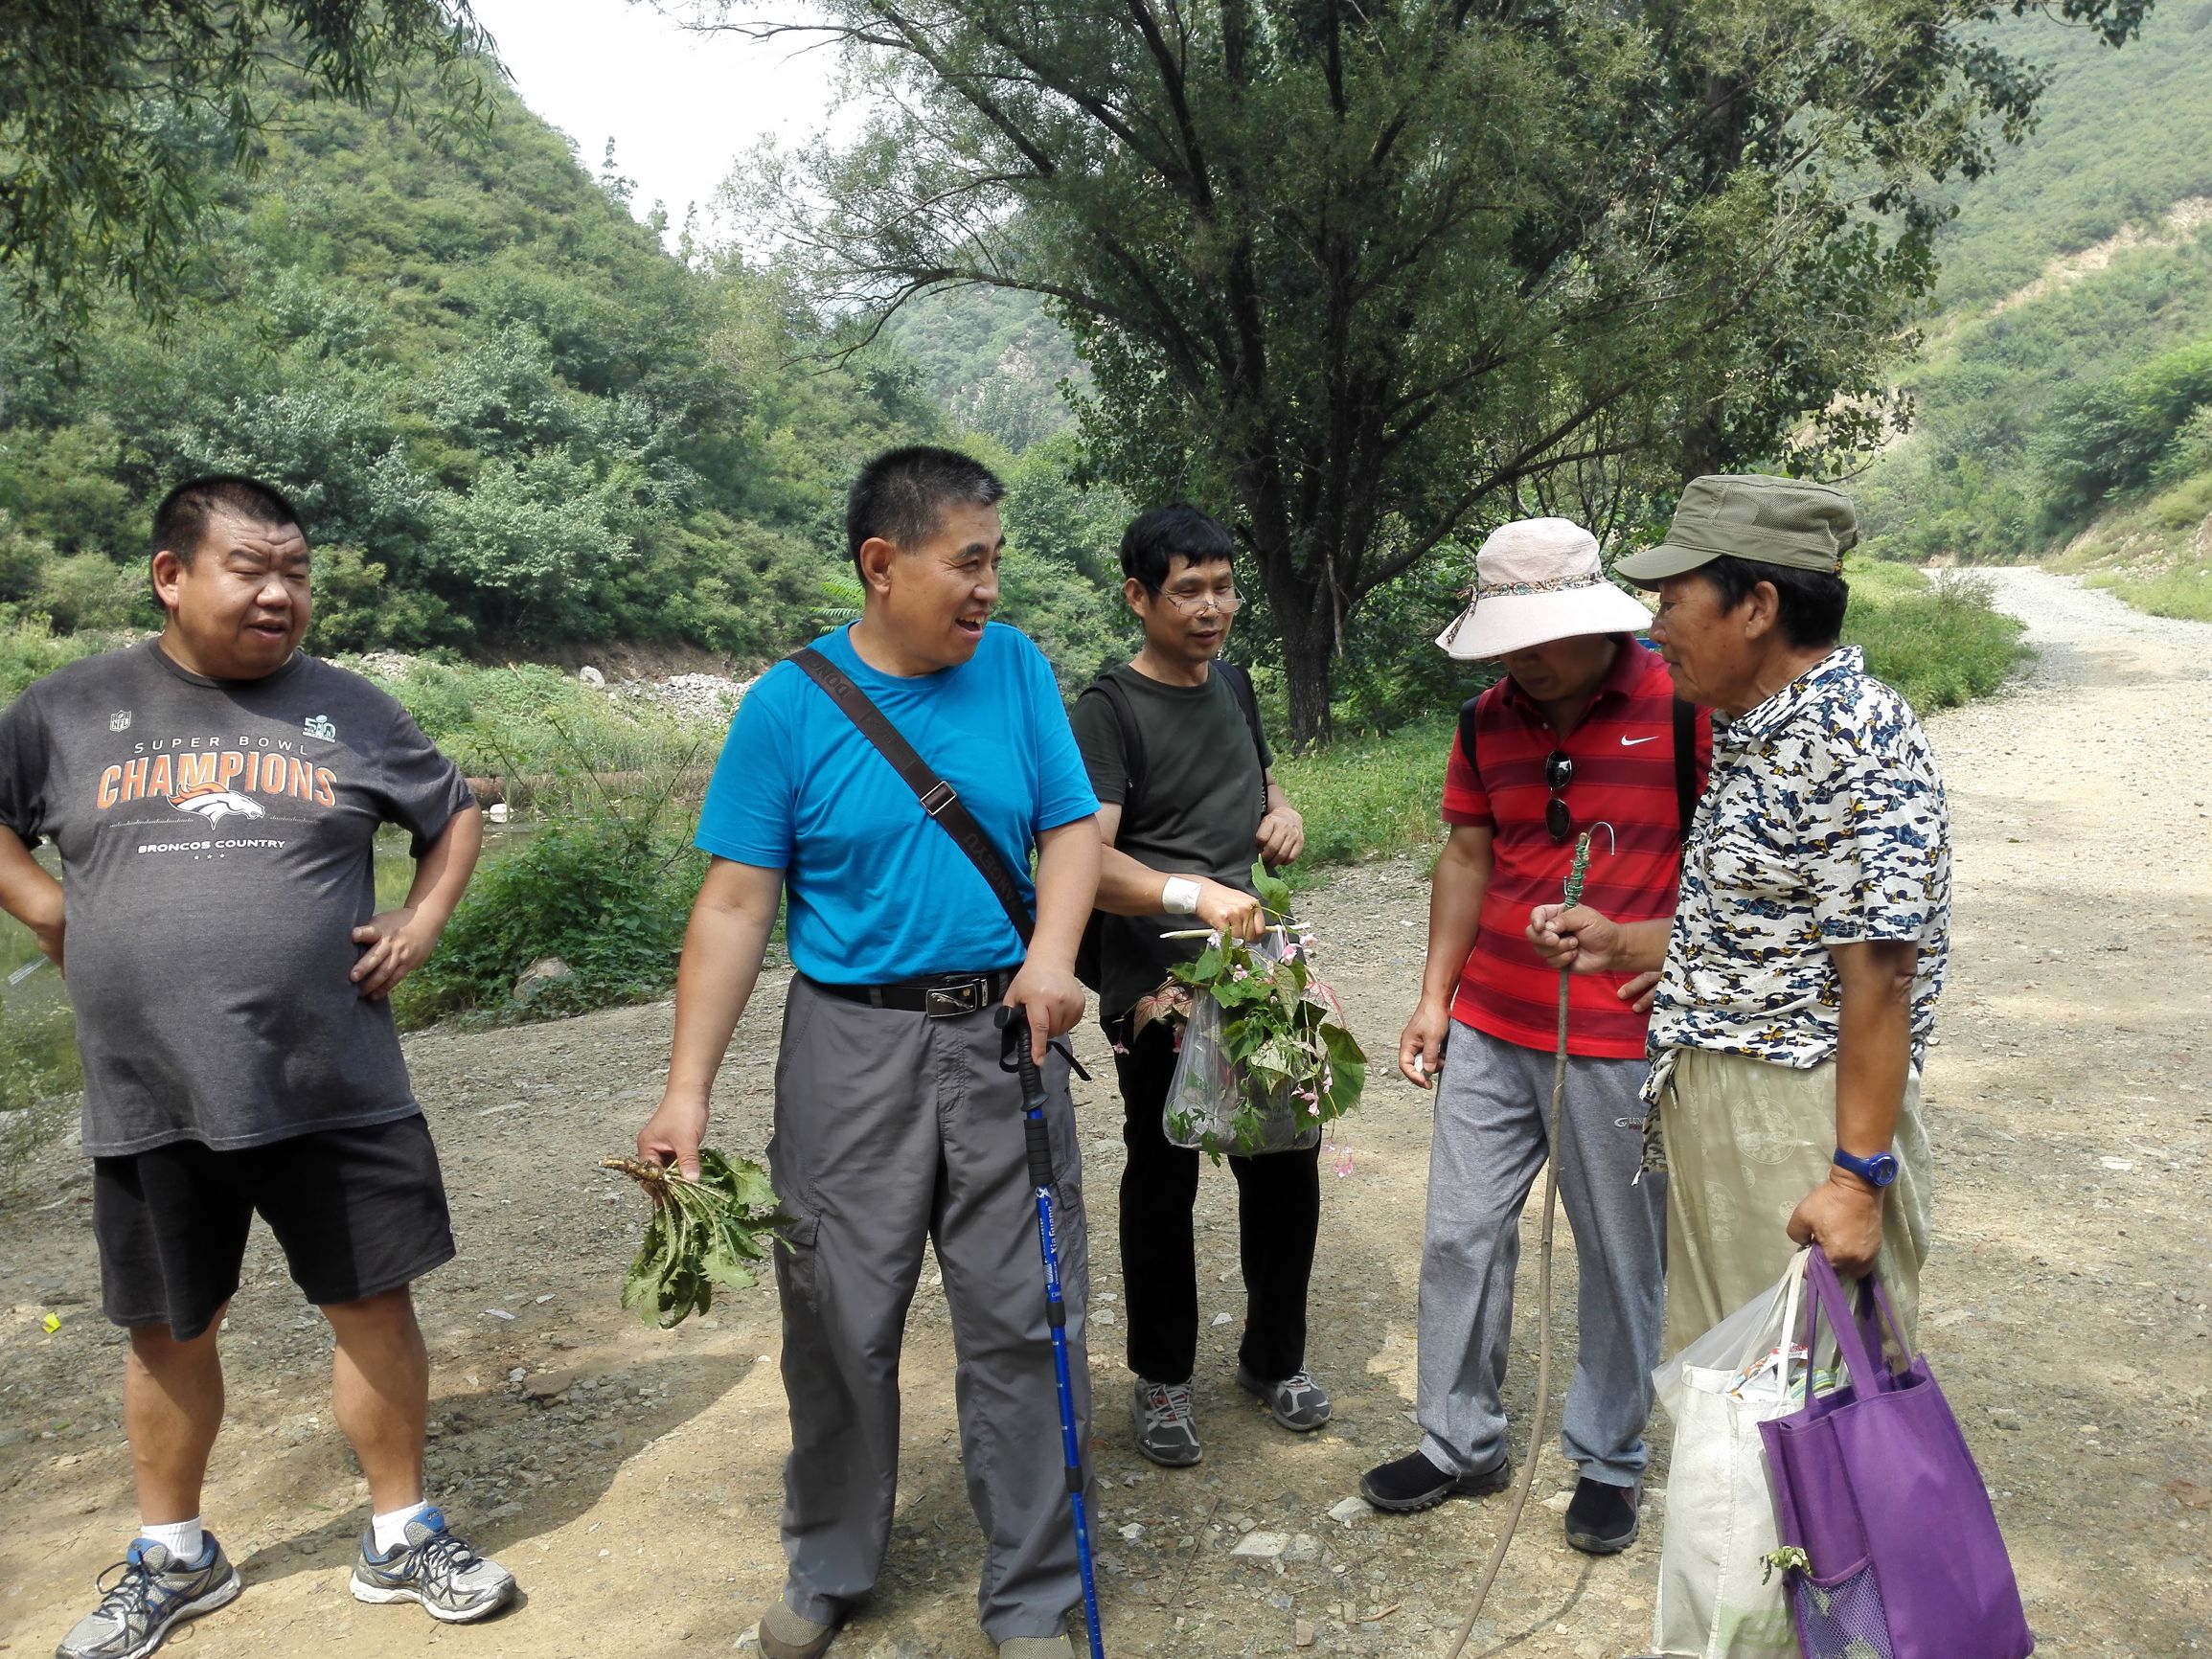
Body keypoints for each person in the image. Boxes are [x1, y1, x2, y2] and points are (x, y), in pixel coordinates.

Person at [0, 475, 513, 1659]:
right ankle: (175, 1555)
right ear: (171, 576)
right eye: (252, 568)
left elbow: (454, 812)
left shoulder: (349, 708)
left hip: (333, 1078)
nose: (281, 593)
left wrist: (423, 918)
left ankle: (401, 1531)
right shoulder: (70, 709)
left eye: (297, 571)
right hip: (152, 1088)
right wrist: (45, 907)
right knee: (170, 1326)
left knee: (371, 1304)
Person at [634, 447, 1104, 1659]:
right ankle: (831, 1559)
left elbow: (1066, 829)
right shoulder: (787, 706)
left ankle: (1035, 1591)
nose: (990, 586)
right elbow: (736, 907)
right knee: (838, 1312)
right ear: (881, 565)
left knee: (1025, 1312)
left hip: (1010, 1032)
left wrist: (1051, 957)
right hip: (849, 1040)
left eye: (995, 558)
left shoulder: (1014, 670)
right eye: (970, 560)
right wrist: (685, 1091)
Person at [1527, 473, 1949, 1363]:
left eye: (1673, 602)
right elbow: (1779, 927)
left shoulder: (1850, 733)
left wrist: (1854, 1179)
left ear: (1756, 606)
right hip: (1726, 1103)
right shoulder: (1752, 726)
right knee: (1728, 1393)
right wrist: (1628, 942)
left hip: (1799, 1116)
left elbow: (1879, 973)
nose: (1654, 629)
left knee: (1805, 1405)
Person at [1357, 517, 1708, 1556]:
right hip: (1492, 1022)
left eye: (1540, 635)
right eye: (1506, 636)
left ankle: (1607, 1458)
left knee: (1615, 1252)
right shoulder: (1484, 721)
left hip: (1620, 1035)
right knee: (1459, 1232)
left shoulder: (1684, 707)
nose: (1522, 656)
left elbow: (1727, 868)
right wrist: (1434, 995)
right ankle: (1458, 1440)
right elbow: (1467, 857)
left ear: (1593, 621)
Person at [1069, 503, 1320, 1470]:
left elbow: (1256, 785)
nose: (1211, 607)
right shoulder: (1108, 710)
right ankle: (1162, 1378)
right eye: (1187, 589)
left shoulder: (1234, 686)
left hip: (1251, 969)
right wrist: (1191, 895)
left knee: (1284, 1160)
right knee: (1163, 1170)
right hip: (1154, 977)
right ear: (1138, 597)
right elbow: (1084, 859)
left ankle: (1272, 1359)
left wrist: (1283, 810)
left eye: (1221, 586)